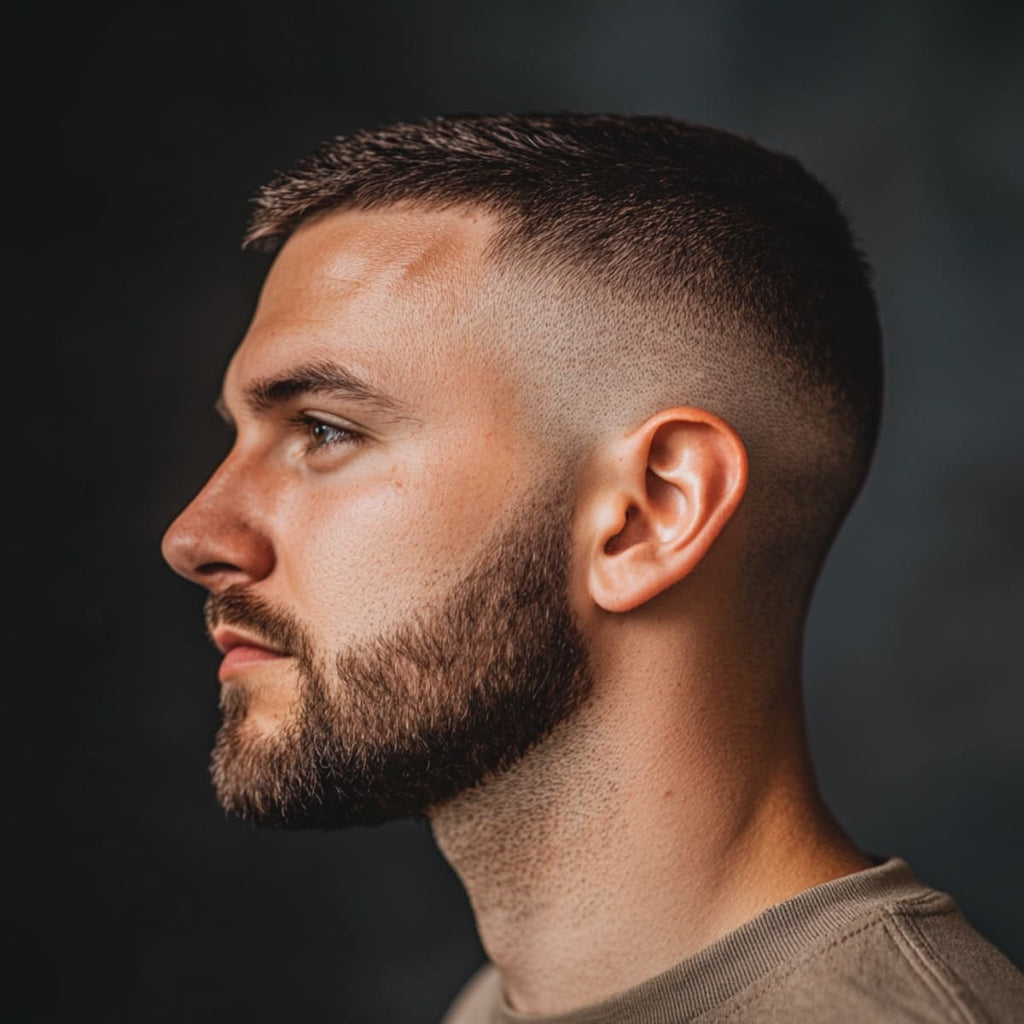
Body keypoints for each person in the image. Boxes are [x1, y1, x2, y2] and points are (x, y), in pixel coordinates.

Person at [160, 114, 1024, 1023]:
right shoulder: (501, 1004)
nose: (195, 533)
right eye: (239, 437)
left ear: (650, 514)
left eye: (325, 431)